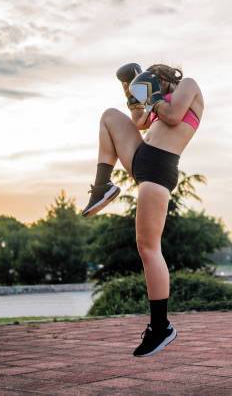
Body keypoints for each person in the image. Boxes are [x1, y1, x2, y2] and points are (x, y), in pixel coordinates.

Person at [82, 63, 203, 357]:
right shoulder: (157, 101)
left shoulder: (188, 86)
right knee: (109, 117)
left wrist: (153, 94)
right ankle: (102, 186)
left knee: (148, 248)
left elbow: (173, 117)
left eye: (154, 80)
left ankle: (161, 328)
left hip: (159, 169)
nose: (152, 87)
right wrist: (132, 92)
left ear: (165, 77)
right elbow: (137, 122)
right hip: (141, 158)